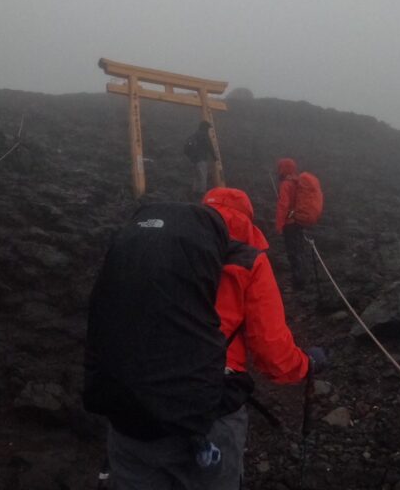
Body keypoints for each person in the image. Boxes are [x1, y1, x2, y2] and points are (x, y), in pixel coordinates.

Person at [84, 200, 326, 490]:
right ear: (247, 219)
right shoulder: (248, 261)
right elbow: (272, 352)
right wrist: (306, 365)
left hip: (130, 410)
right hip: (208, 415)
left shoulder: (153, 247)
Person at [275, 158, 307, 289]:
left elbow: (283, 205)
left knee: (292, 252)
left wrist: (279, 225)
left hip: (289, 223)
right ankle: (303, 277)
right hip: (299, 220)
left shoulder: (286, 184)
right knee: (299, 250)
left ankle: (298, 282)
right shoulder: (298, 181)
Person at [184, 121, 217, 194]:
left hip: (193, 160)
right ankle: (202, 194)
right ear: (205, 127)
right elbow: (209, 146)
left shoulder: (194, 135)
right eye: (208, 128)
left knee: (196, 177)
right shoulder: (204, 135)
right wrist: (214, 157)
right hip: (202, 159)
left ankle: (195, 193)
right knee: (203, 177)